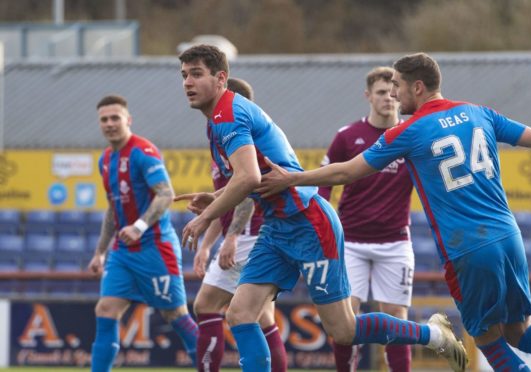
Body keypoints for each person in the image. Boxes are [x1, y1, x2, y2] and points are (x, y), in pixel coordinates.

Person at [258, 52, 531, 372]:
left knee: (488, 341)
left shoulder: (409, 131)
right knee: (518, 331)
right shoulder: (479, 113)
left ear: (417, 87)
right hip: (509, 237)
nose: (394, 94)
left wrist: (293, 178)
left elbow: (346, 171)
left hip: (468, 248)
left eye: (397, 85)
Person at [176, 44, 468, 372]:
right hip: (277, 227)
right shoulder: (219, 117)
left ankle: (433, 334)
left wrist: (206, 217)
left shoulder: (227, 114)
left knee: (344, 330)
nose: (187, 82)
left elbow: (249, 177)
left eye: (196, 74)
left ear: (221, 79)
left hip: (308, 222)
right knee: (240, 314)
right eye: (185, 75)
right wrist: (215, 198)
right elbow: (255, 181)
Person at [88, 95, 198, 372]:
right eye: (105, 119)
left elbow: (165, 195)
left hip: (154, 247)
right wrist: (100, 252)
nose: (110, 124)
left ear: (128, 120)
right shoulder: (105, 159)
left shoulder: (143, 151)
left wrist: (139, 227)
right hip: (123, 253)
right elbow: (113, 209)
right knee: (105, 310)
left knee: (175, 315)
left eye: (115, 118)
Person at [319, 67, 414, 372]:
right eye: (382, 92)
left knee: (397, 320)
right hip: (351, 242)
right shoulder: (347, 137)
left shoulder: (412, 135)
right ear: (368, 96)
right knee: (346, 320)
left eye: (393, 91)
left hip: (396, 240)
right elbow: (324, 184)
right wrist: (323, 224)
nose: (389, 97)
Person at [188, 78, 287, 372]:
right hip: (250, 235)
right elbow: (228, 199)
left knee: (206, 305)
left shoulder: (233, 126)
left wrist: (231, 238)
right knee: (262, 317)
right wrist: (207, 245)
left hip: (253, 235)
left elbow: (246, 188)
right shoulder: (215, 130)